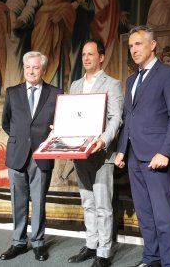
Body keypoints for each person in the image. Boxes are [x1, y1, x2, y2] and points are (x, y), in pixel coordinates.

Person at [114, 26, 170, 267]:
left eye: (138, 44)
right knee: (144, 213)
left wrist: (166, 152)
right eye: (131, 46)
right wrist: (122, 149)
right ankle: (151, 258)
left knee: (163, 215)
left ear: (152, 45)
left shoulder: (169, 74)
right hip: (134, 156)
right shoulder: (132, 79)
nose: (134, 50)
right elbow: (129, 118)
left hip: (157, 155)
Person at [0, 51, 63, 262]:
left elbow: (60, 123)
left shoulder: (56, 93)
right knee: (17, 201)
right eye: (28, 67)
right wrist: (21, 140)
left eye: (36, 67)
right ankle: (18, 242)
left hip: (42, 154)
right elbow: (6, 123)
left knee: (38, 201)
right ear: (24, 69)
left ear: (43, 70)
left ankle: (38, 243)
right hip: (17, 154)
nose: (31, 71)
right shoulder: (12, 92)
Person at [68, 40, 123, 267]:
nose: (87, 58)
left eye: (91, 54)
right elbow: (71, 117)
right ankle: (91, 245)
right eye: (83, 54)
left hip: (102, 154)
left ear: (101, 57)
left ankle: (104, 253)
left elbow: (116, 118)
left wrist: (103, 140)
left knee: (103, 205)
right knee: (87, 202)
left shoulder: (112, 84)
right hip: (80, 154)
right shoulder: (75, 85)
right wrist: (60, 131)